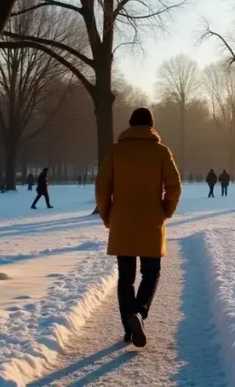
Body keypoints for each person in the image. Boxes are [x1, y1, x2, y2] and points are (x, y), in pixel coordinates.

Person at [95, 107, 181, 348]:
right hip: (151, 220)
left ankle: (128, 328)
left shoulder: (115, 151)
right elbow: (174, 186)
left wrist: (107, 215)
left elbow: (102, 188)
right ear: (152, 126)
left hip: (122, 220)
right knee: (151, 273)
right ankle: (140, 312)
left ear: (130, 125)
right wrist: (166, 210)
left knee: (125, 277)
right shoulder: (161, 152)